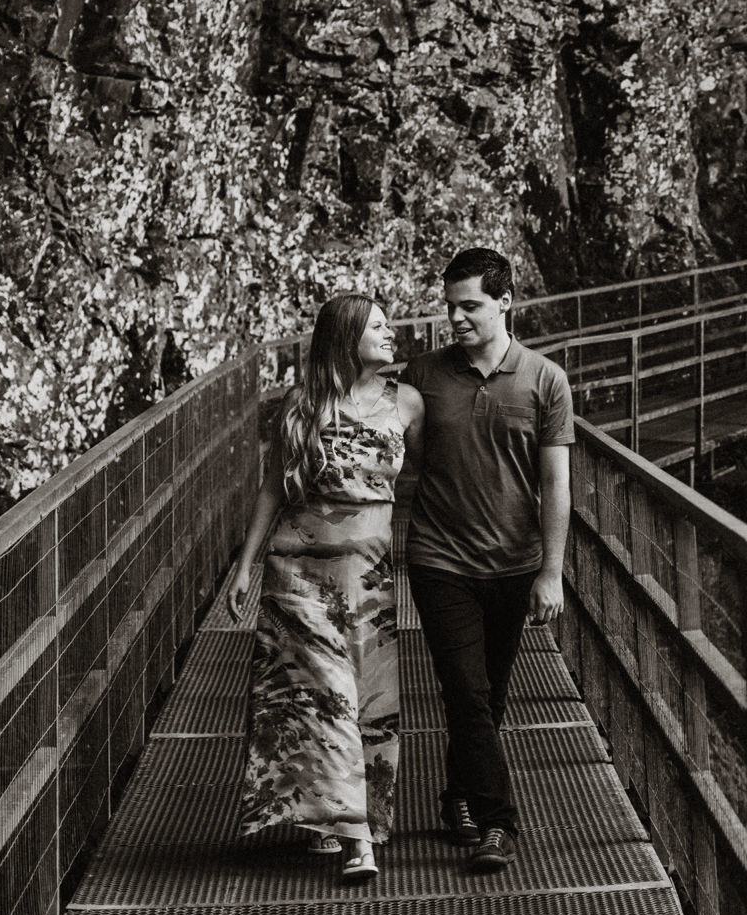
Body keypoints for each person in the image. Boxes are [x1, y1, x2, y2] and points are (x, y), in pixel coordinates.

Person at [227, 294, 425, 882]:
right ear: (346, 337)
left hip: (368, 578)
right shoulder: (303, 404)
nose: (391, 333)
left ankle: (328, 820)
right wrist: (244, 566)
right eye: (377, 326)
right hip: (298, 576)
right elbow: (272, 488)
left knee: (367, 701)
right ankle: (358, 841)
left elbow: (434, 477)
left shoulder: (407, 403)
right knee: (327, 697)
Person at [399, 247, 573, 874]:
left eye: (470, 305)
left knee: (489, 695)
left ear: (505, 302)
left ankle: (458, 797)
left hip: (514, 564)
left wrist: (550, 572)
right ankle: (497, 823)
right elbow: (409, 456)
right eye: (450, 306)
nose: (456, 318)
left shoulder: (546, 380)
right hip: (439, 557)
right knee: (465, 692)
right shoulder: (422, 374)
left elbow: (555, 483)